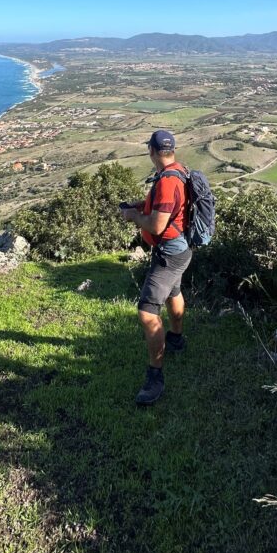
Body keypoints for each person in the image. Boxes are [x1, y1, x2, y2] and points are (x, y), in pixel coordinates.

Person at [119, 129, 192, 405]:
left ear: (151, 150)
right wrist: (141, 205)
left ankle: (155, 376)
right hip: (182, 249)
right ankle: (176, 339)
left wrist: (134, 216)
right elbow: (170, 208)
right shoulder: (179, 170)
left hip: (168, 255)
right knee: (174, 292)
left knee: (147, 312)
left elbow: (157, 225)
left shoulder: (165, 182)